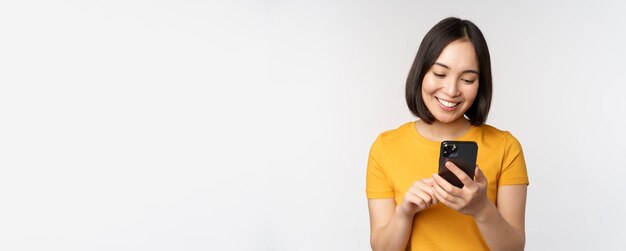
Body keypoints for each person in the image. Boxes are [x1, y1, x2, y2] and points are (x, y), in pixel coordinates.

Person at [366, 17, 529, 251]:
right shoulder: (385, 147)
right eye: (440, 74)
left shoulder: (506, 147)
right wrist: (404, 213)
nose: (452, 91)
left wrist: (481, 209)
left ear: (481, 84)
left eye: (467, 79)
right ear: (421, 72)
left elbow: (514, 248)